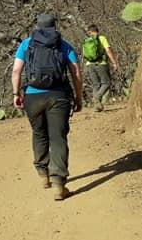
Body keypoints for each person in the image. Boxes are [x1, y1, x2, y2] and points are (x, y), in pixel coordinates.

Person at [11, 14, 83, 201]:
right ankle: (59, 183)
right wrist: (78, 96)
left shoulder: (27, 44)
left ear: (37, 26)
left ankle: (43, 174)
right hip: (58, 96)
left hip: (33, 97)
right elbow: (75, 72)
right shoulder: (63, 44)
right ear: (54, 26)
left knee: (39, 133)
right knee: (58, 137)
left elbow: (16, 70)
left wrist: (16, 93)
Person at [82, 24, 119, 112]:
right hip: (101, 63)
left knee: (96, 84)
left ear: (89, 32)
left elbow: (84, 54)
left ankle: (97, 106)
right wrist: (114, 62)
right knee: (106, 83)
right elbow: (108, 50)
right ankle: (97, 98)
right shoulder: (101, 38)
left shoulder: (86, 40)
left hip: (89, 65)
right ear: (97, 31)